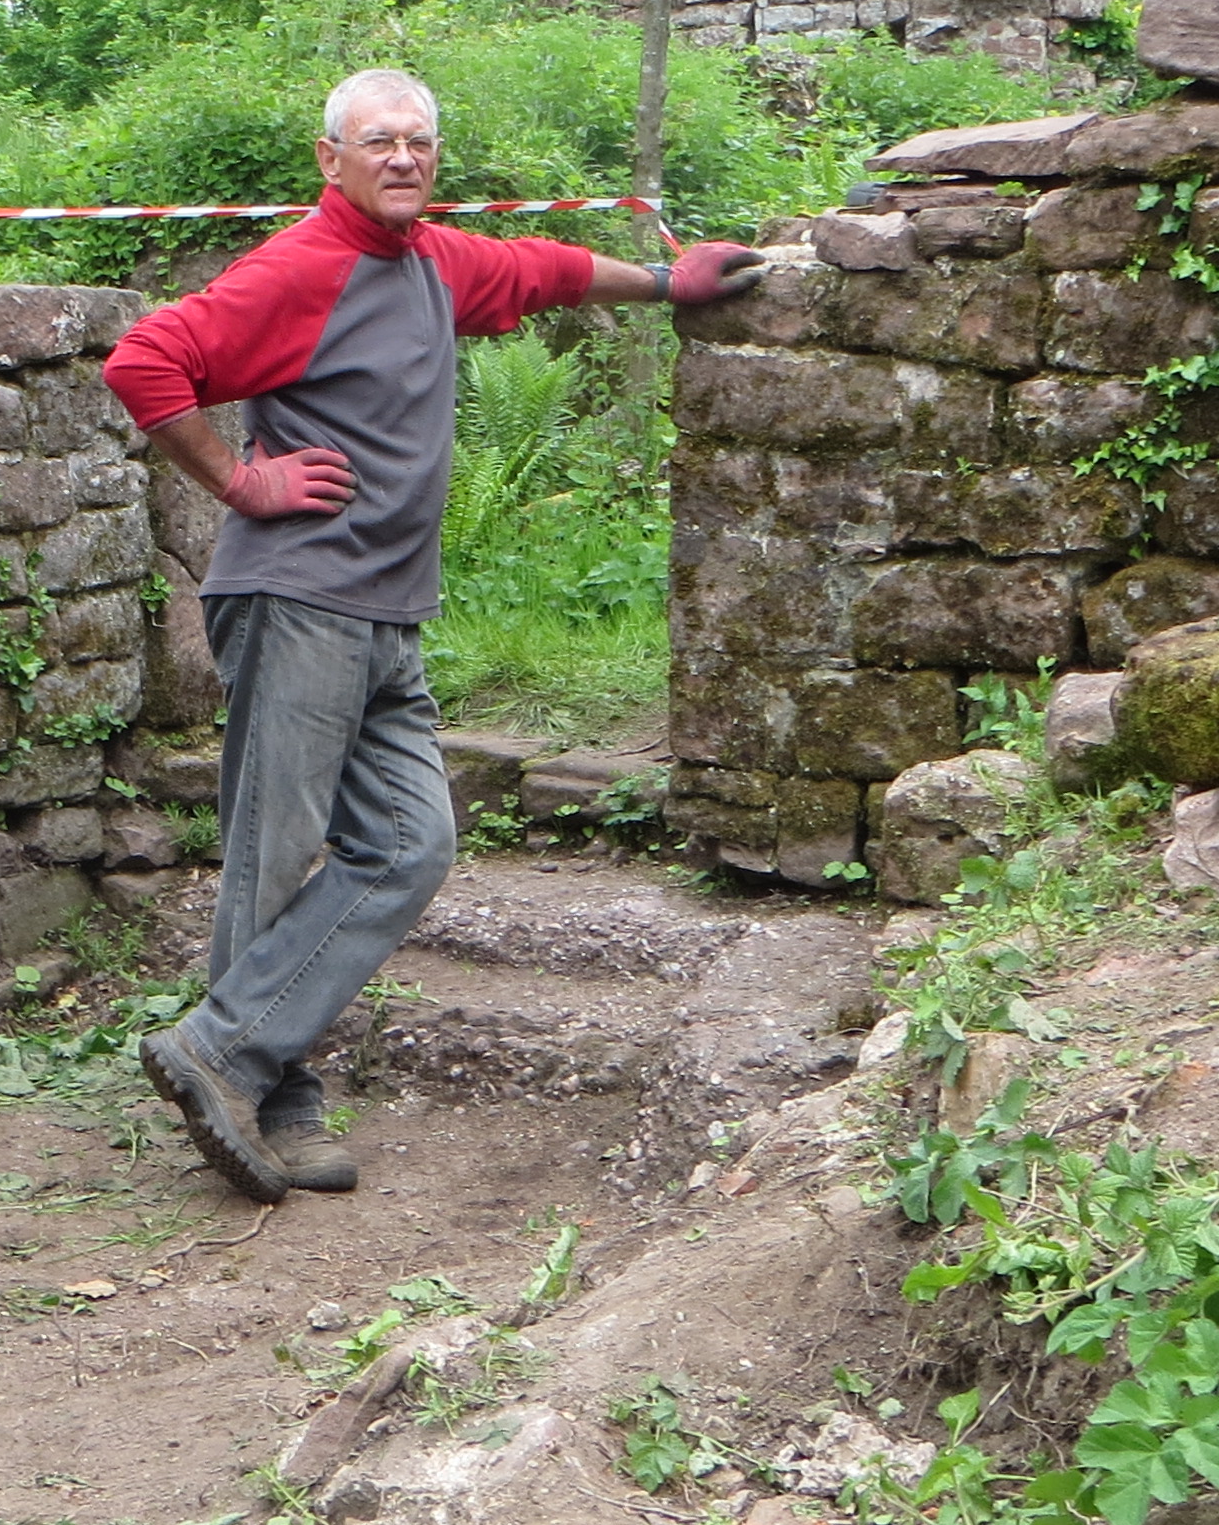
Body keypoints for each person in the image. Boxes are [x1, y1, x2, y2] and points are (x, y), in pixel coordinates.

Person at [99, 67, 755, 1199]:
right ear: (331, 159)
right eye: (378, 141)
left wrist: (665, 281)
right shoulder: (298, 269)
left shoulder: (433, 261)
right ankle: (268, 1092)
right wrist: (241, 483)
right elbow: (144, 362)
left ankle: (229, 1053)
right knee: (274, 856)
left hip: (388, 610)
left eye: (418, 141)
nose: (402, 158)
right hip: (299, 598)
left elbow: (547, 271)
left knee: (408, 844)